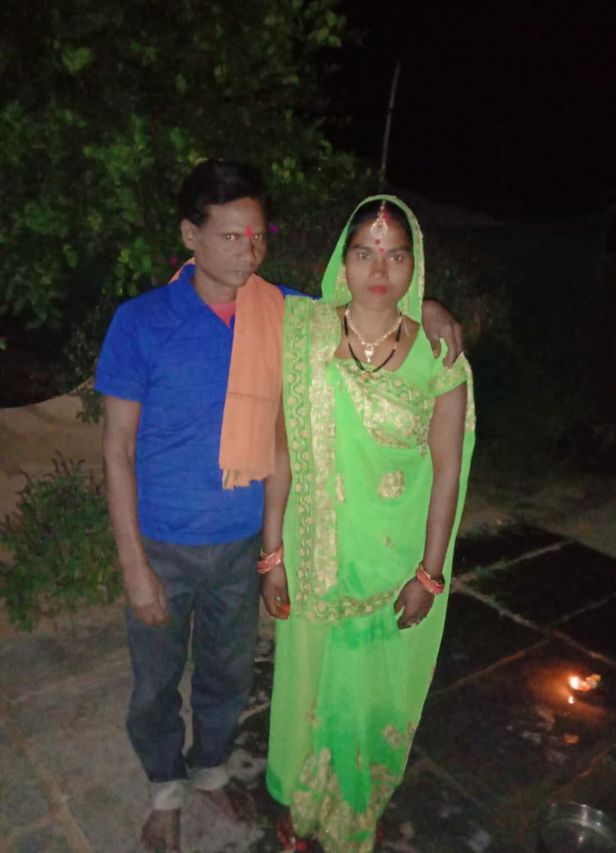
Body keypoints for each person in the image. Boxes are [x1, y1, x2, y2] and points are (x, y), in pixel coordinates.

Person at [95, 160, 464, 853]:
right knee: (155, 682)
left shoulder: (289, 315)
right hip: (164, 542)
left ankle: (210, 772)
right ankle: (164, 788)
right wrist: (132, 563)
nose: (250, 251)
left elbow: (370, 302)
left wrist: (431, 308)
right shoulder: (140, 323)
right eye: (231, 236)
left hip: (244, 543)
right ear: (190, 235)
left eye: (259, 236)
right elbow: (116, 449)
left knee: (229, 675)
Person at [261, 195, 475, 852]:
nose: (379, 269)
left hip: (392, 563)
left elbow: (447, 471)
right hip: (313, 554)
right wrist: (271, 553)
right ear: (342, 261)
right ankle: (303, 808)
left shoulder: (441, 357)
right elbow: (282, 449)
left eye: (396, 255)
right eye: (364, 253)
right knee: (307, 686)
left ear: (415, 265)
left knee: (367, 698)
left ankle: (355, 805)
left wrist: (429, 573)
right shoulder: (303, 334)